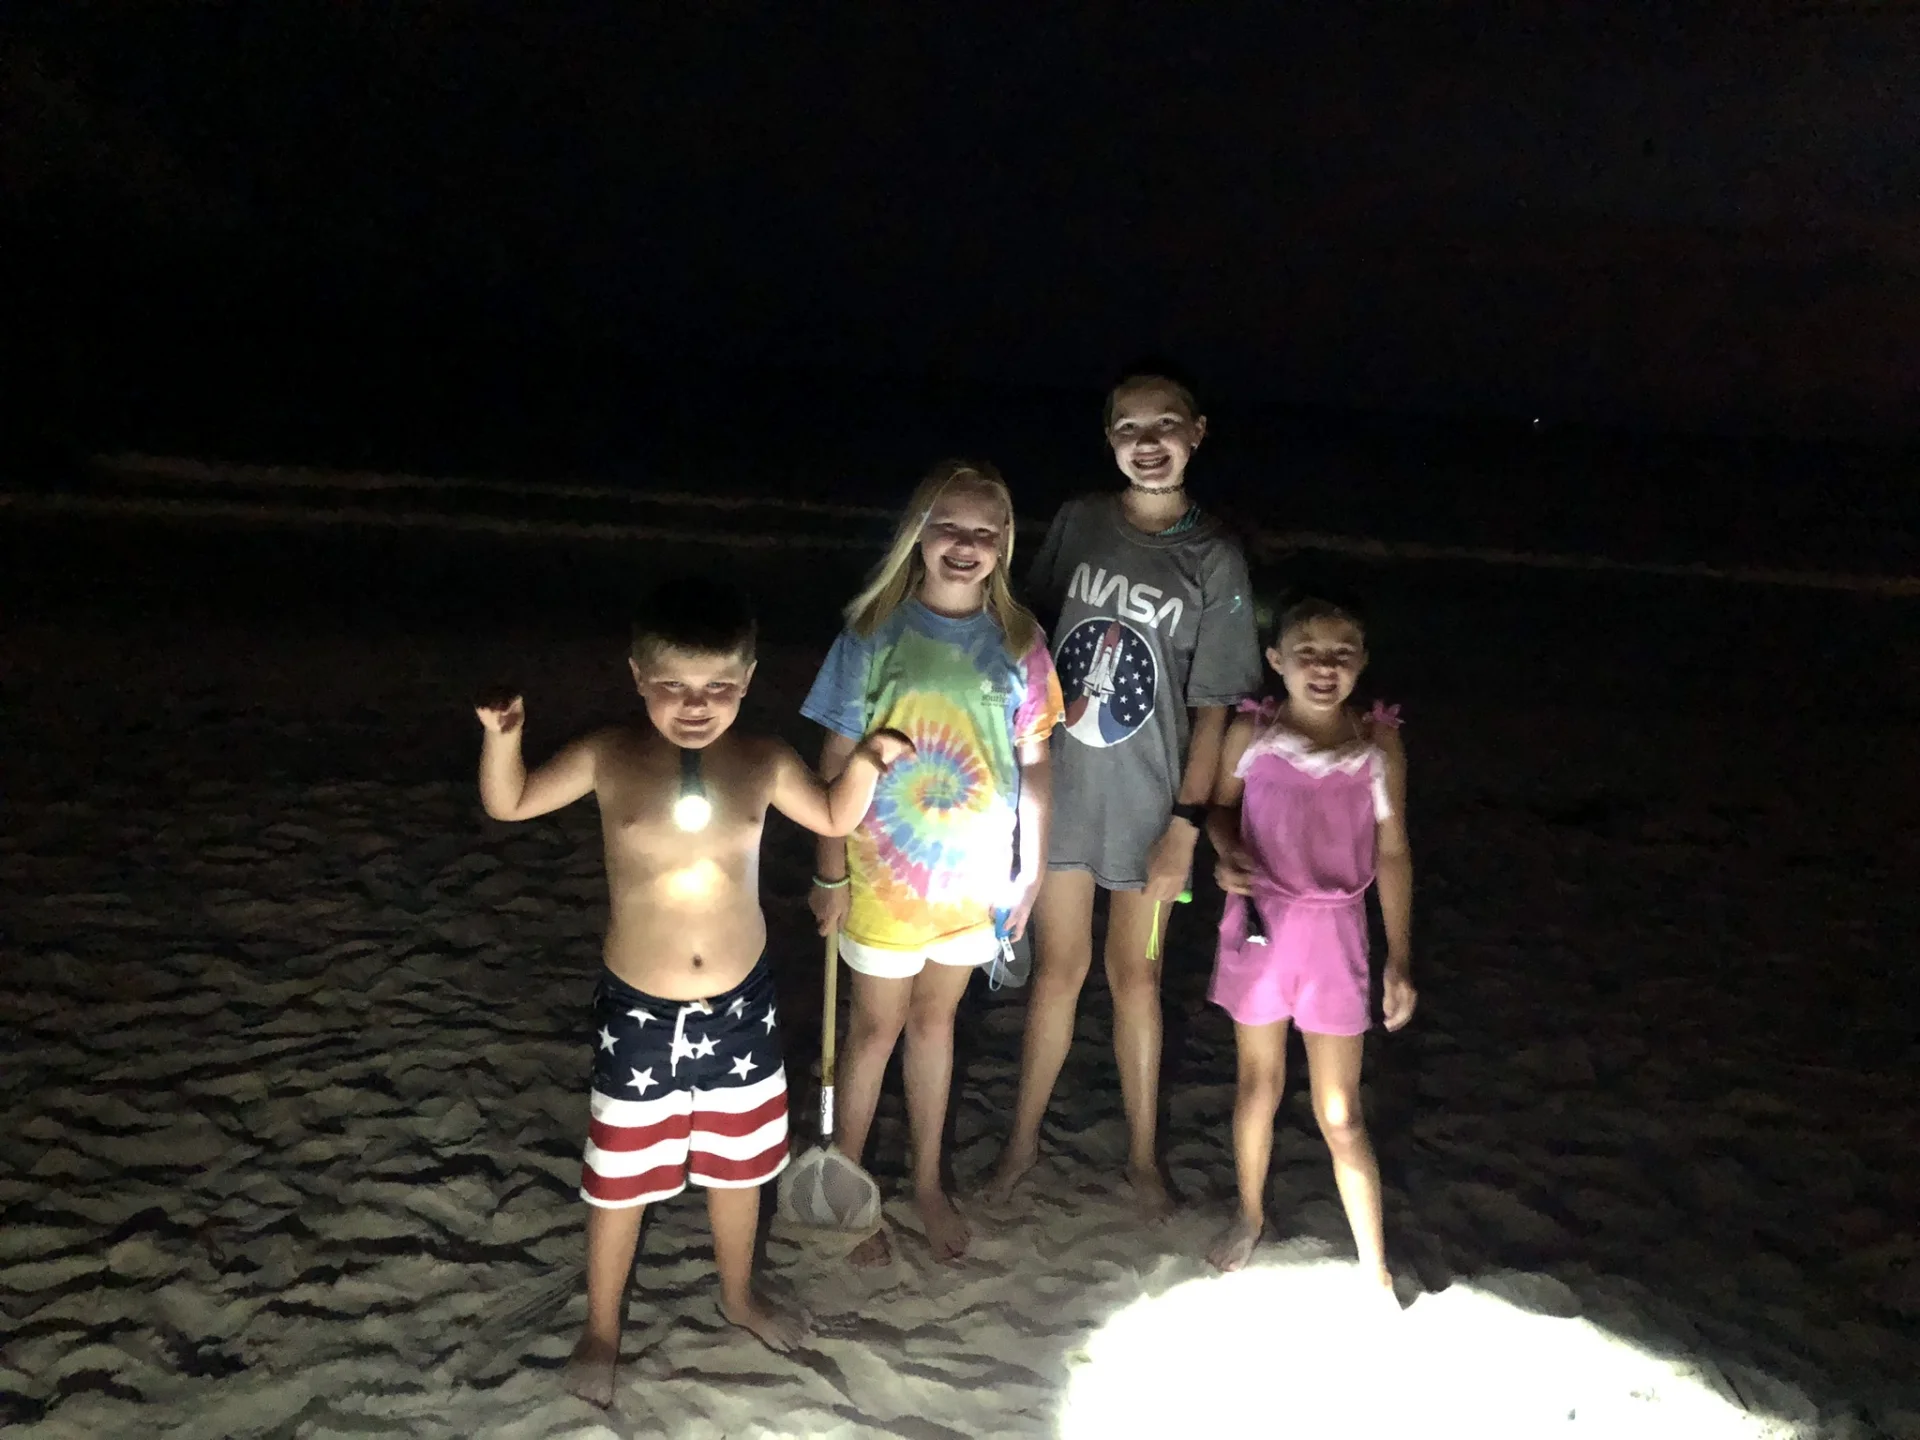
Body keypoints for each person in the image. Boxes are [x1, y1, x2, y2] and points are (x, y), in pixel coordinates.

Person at [474, 578, 911, 1407]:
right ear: (638, 676)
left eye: (717, 686)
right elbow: (512, 801)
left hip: (741, 1007)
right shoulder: (609, 754)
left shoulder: (763, 760)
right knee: (621, 1175)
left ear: (747, 681)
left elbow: (831, 817)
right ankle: (602, 1326)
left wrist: (867, 762)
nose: (695, 705)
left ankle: (739, 1295)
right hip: (639, 1013)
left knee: (740, 1167)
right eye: (673, 685)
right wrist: (505, 738)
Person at [990, 364, 1263, 1216]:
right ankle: (1021, 1143)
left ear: (1197, 434)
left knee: (1135, 976)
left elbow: (1215, 707)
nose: (1147, 444)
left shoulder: (1214, 557)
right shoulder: (1081, 522)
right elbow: (1025, 634)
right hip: (1064, 791)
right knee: (1058, 972)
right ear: (1108, 439)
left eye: (1165, 425)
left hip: (1151, 807)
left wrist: (1186, 826)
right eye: (1128, 429)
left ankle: (1143, 1156)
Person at [805, 459, 1064, 1265]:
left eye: (985, 531)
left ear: (1005, 544)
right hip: (882, 874)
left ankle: (925, 1183)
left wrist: (1030, 868)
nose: (965, 543)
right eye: (948, 526)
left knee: (935, 1023)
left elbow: (1037, 763)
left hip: (972, 879)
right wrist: (828, 870)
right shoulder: (872, 631)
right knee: (873, 1029)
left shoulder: (1021, 643)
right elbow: (834, 758)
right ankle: (849, 1193)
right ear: (918, 533)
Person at [1202, 589, 1414, 1289]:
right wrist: (1226, 853)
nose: (1324, 668)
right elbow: (1220, 810)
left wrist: (1400, 958)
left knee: (1341, 1111)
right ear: (1277, 660)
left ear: (1361, 663)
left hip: (1338, 935)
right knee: (1258, 1084)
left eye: (1341, 655)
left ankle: (1375, 1266)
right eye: (1308, 654)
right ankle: (1249, 1214)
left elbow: (1393, 853)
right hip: (1261, 928)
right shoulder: (1253, 733)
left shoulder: (1377, 744)